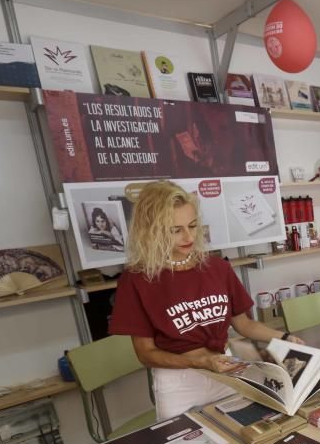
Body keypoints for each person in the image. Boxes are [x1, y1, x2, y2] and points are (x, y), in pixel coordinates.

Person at [109, 180, 303, 421]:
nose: (188, 236)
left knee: (237, 443)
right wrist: (198, 361)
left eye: (192, 225)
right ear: (152, 230)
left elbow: (244, 325)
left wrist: (285, 338)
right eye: (175, 229)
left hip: (225, 370)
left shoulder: (217, 268)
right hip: (179, 382)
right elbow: (146, 353)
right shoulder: (138, 279)